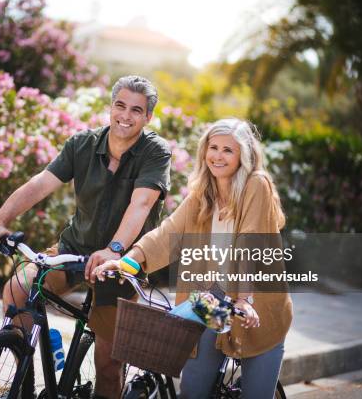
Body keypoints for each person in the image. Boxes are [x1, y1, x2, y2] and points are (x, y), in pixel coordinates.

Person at [0, 75, 171, 399]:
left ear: (147, 117)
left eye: (136, 110)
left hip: (119, 266)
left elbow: (141, 203)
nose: (125, 115)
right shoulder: (81, 144)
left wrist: (114, 250)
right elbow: (41, 183)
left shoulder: (154, 152)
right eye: (120, 105)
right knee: (18, 288)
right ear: (110, 107)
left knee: (109, 366)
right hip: (73, 250)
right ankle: (21, 377)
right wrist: (0, 220)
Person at [92, 118, 293, 398]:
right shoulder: (202, 193)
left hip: (258, 305)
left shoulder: (256, 185)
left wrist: (245, 300)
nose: (218, 156)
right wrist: (127, 262)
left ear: (243, 156)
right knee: (192, 390)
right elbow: (167, 233)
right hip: (211, 300)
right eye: (213, 147)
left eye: (228, 150)